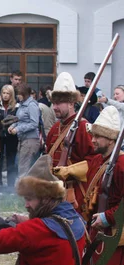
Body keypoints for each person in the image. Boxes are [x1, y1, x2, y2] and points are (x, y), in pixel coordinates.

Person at [82, 106, 124, 265]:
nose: (93, 139)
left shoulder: (120, 164)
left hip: (117, 232)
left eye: (98, 136)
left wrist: (106, 217)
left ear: (110, 139)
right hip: (101, 229)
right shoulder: (102, 161)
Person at [46, 72, 95, 210]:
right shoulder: (55, 128)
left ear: (72, 103)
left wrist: (69, 171)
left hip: (74, 194)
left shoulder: (83, 128)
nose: (54, 107)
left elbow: (94, 161)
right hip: (53, 192)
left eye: (59, 103)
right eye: (53, 103)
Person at [9, 84, 41, 176]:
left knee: (24, 168)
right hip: (23, 140)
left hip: (30, 140)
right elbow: (20, 119)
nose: (17, 96)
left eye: (19, 94)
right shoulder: (22, 105)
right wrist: (12, 126)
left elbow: (34, 123)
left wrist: (18, 129)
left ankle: (23, 189)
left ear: (24, 94)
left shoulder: (32, 105)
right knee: (20, 165)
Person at [0, 84, 19, 188]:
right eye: (4, 93)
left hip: (12, 136)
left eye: (8, 93)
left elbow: (17, 120)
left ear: (11, 95)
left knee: (11, 159)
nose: (5, 95)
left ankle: (11, 184)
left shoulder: (16, 106)